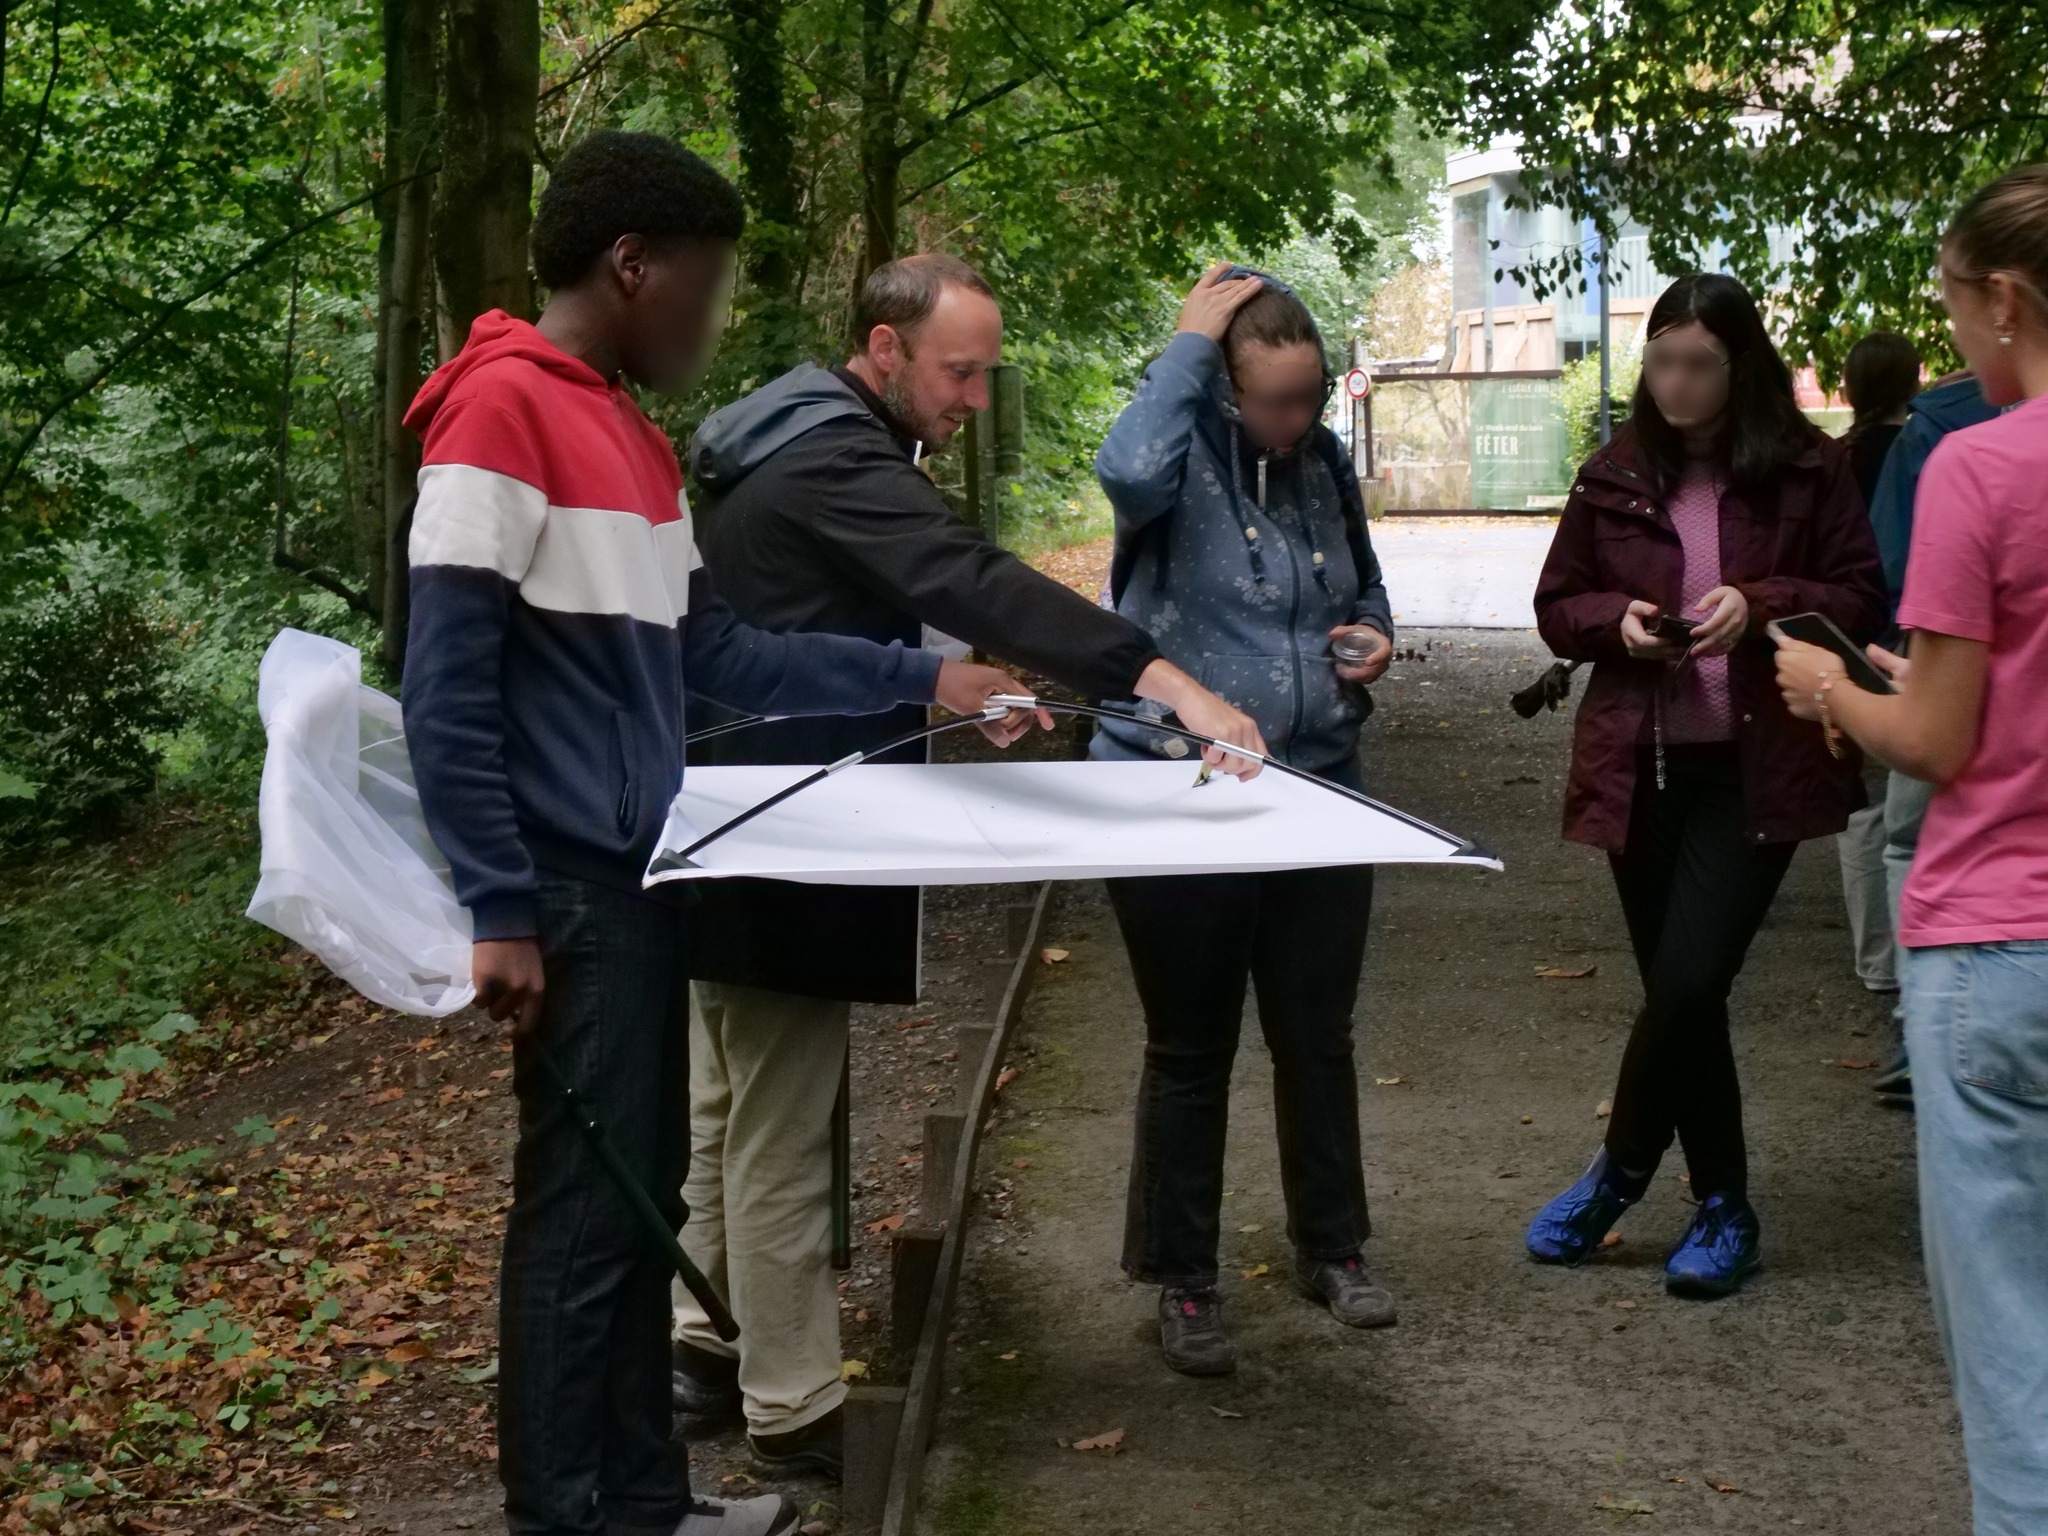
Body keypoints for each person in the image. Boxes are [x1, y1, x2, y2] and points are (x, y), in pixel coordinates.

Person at [399, 133, 1029, 1536]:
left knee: (631, 1211)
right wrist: (498, 903)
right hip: (567, 887)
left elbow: (716, 653)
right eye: (706, 282)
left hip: (644, 872)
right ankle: (574, 1513)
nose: (717, 313)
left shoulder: (623, 429)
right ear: (634, 267)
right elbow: (443, 683)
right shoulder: (501, 412)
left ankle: (644, 1495)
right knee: (581, 1223)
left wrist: (921, 676)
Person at [669, 253, 1267, 1474]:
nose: (973, 398)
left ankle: (699, 1353)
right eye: (958, 371)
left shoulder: (782, 433)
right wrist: (1164, 680)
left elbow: (834, 617)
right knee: (778, 1131)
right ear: (881, 351)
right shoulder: (836, 454)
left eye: (985, 373)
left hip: (727, 817)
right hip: (796, 835)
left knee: (722, 1107)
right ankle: (792, 1412)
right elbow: (965, 573)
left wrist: (937, 688)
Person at [1773, 163, 2048, 1536]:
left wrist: (1836, 693)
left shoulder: (1978, 466)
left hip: (1999, 946)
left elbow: (1935, 742)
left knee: (2015, 1354)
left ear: (2006, 298)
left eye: (1955, 305)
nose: (1953, 339)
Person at [1523, 272, 1884, 1298]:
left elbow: (1861, 594)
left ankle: (1619, 1174)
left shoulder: (1807, 471)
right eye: (1660, 361)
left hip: (1754, 769)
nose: (1673, 384)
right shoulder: (1613, 473)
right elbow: (1558, 605)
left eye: (1697, 365)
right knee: (1682, 999)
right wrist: (1618, 623)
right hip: (1640, 765)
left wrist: (1759, 600)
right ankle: (1722, 1204)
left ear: (1741, 368)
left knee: (1687, 983)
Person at [1089, 264, 1397, 1377]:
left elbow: (1361, 585)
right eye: (1271, 399)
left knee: (1316, 1034)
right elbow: (1120, 472)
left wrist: (1370, 638)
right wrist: (1185, 343)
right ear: (1222, 391)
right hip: (1175, 789)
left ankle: (1334, 1247)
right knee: (1189, 1044)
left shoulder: (1317, 461)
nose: (1295, 419)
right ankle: (1181, 1279)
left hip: (1318, 783)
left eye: (1308, 396)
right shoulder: (1173, 460)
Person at [1859, 367, 2002, 1098]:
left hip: (1937, 651)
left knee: (1909, 835)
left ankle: (1917, 1020)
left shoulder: (1946, 434)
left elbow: (1891, 557)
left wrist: (1834, 687)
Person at [1833, 332, 1921, 997]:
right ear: (1914, 381)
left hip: (1849, 636)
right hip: (1917, 635)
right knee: (1917, 806)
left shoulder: (1837, 459)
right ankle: (1917, 961)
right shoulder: (1932, 449)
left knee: (1861, 808)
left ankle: (1876, 962)